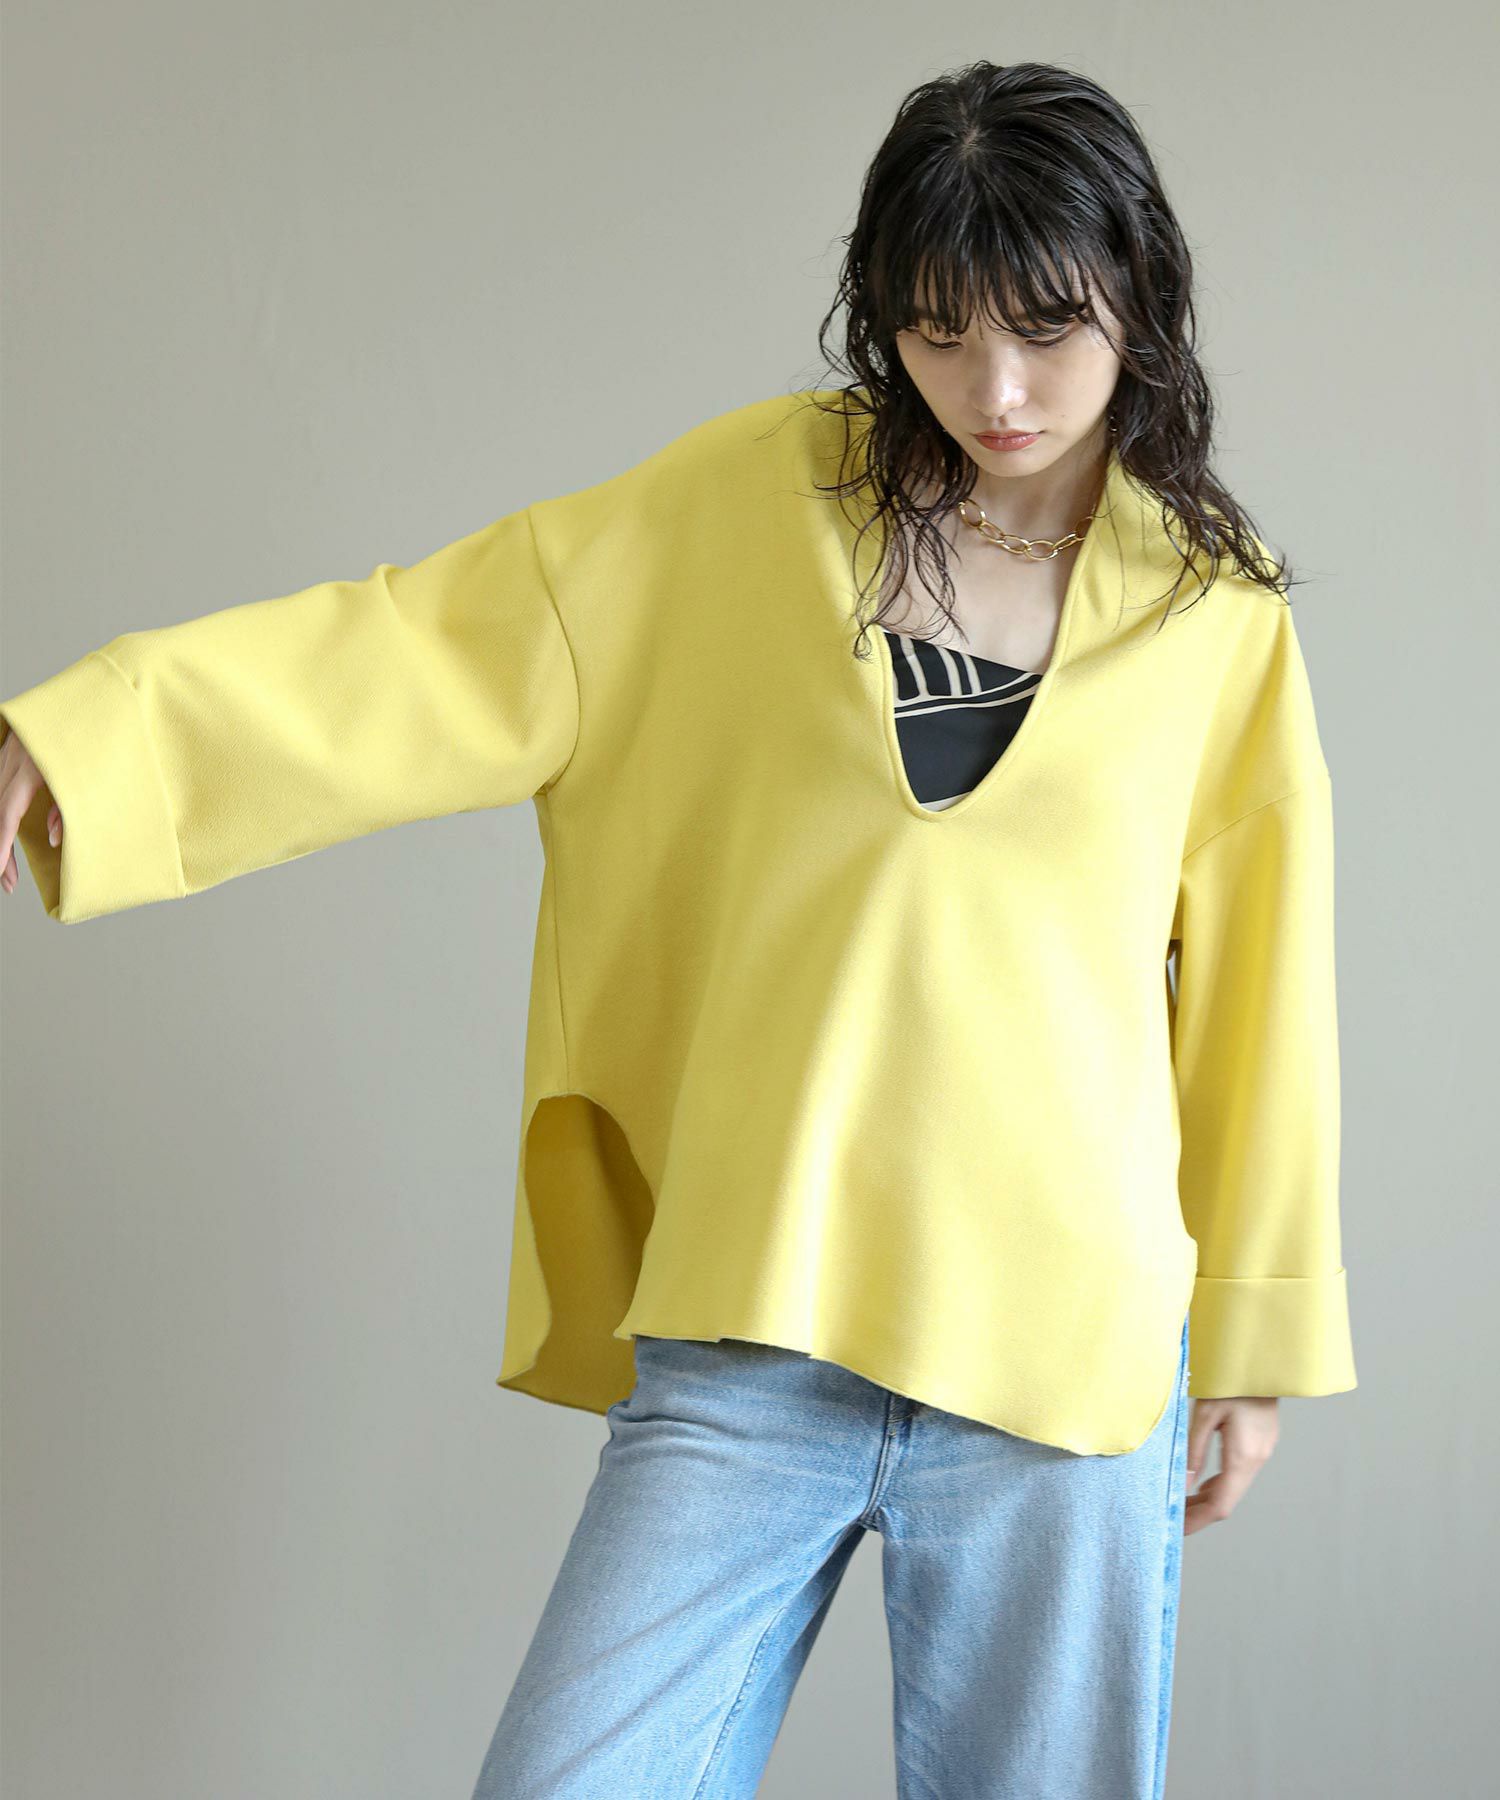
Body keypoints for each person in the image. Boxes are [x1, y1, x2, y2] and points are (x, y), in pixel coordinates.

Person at [0, 58, 1355, 1800]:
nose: (998, 390)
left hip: (1065, 1359)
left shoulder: (1213, 621)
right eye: (940, 333)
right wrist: (95, 739)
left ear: (1137, 299)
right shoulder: (749, 506)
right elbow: (437, 643)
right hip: (762, 1311)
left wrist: (1250, 1347)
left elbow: (1258, 1006)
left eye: (1047, 329)